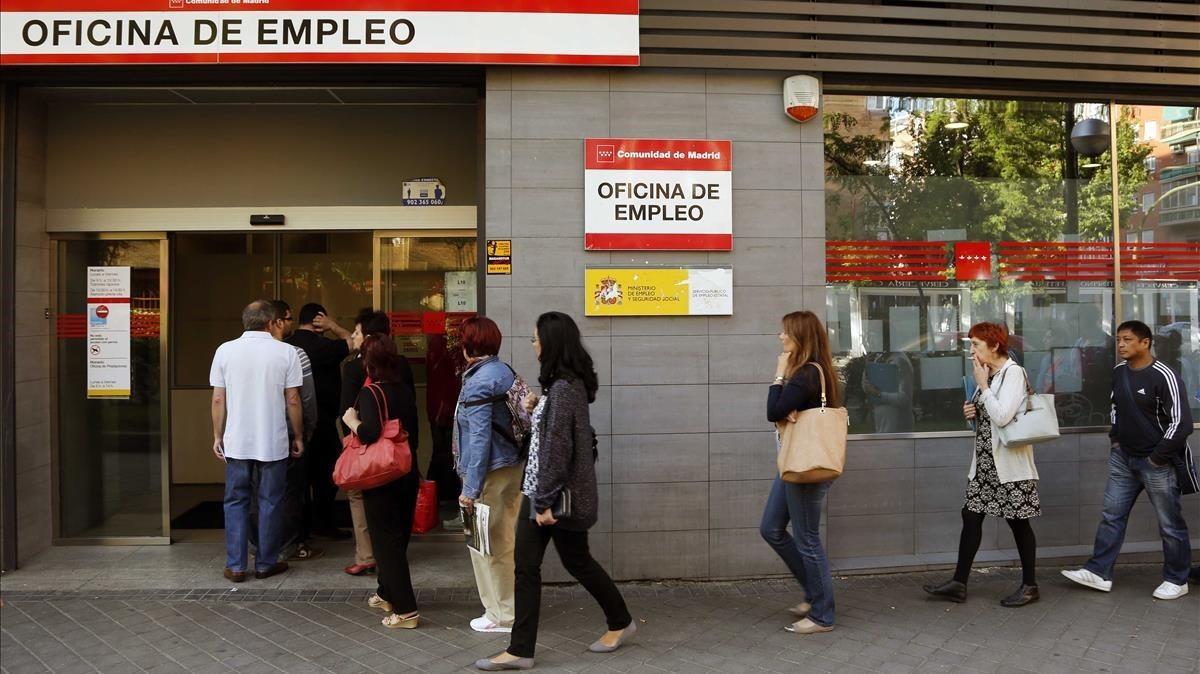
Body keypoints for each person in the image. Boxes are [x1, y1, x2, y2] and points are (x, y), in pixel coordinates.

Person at [476, 312, 634, 671]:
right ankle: (527, 648)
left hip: (549, 495)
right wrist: (536, 410)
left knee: (535, 567)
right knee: (558, 563)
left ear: (550, 342)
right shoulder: (563, 386)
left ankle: (524, 648)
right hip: (545, 490)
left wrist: (544, 502)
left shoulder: (564, 390)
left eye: (536, 338)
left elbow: (558, 450)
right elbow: (551, 439)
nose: (533, 344)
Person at [1062, 320, 1194, 601]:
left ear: (1145, 343)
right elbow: (1115, 407)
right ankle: (1099, 572)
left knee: (1170, 524)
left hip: (1156, 462)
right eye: (1119, 339)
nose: (1120, 344)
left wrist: (1158, 457)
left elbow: (1182, 423)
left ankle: (1176, 579)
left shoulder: (1164, 375)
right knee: (1112, 516)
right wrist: (1116, 440)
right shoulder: (1120, 371)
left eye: (1127, 340)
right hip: (1124, 459)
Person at [923, 322, 1042, 607]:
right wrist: (970, 412)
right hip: (987, 462)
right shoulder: (990, 373)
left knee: (1018, 522)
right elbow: (984, 419)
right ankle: (958, 583)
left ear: (995, 346)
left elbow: (1002, 416)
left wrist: (983, 386)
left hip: (1009, 464)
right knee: (971, 516)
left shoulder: (1013, 373)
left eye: (976, 344)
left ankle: (1030, 586)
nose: (972, 350)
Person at [209, 300, 304, 582]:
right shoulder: (287, 352)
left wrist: (217, 434)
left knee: (235, 500)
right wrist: (298, 435)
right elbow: (294, 399)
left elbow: (217, 397)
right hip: (273, 441)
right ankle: (265, 563)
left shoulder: (225, 350)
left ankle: (236, 566)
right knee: (270, 501)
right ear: (269, 321)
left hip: (236, 441)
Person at [761, 310, 841, 634]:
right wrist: (786, 408)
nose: (781, 337)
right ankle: (813, 591)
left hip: (807, 467)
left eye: (785, 333)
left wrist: (779, 375)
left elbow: (772, 411)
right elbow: (782, 411)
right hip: (792, 464)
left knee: (807, 538)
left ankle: (823, 614)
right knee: (771, 528)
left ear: (800, 338)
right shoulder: (811, 374)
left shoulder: (808, 374)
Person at [341, 334, 422, 628]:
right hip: (405, 470)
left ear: (369, 362)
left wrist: (352, 421)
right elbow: (412, 429)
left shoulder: (371, 393)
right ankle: (386, 594)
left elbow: (370, 433)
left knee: (385, 543)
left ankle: (406, 610)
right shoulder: (402, 390)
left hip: (382, 476)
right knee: (396, 539)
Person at [455, 317, 524, 633]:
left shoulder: (481, 381)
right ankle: (500, 609)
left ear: (468, 346)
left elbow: (480, 438)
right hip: (508, 468)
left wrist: (470, 488)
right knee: (500, 540)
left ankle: (502, 615)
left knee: (488, 543)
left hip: (489, 474)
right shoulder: (502, 370)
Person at [339, 308, 413, 576]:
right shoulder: (401, 364)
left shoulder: (354, 368)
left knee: (359, 495)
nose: (355, 337)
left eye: (357, 332)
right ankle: (392, 553)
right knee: (396, 504)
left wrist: (350, 432)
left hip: (367, 442)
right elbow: (410, 409)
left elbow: (346, 410)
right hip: (398, 447)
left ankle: (367, 555)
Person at [253, 300, 322, 562]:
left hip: (248, 435)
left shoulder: (234, 352)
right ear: (277, 322)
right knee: (291, 492)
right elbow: (302, 399)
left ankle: (258, 544)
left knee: (255, 493)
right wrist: (304, 432)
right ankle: (290, 545)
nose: (292, 324)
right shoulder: (294, 353)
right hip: (284, 432)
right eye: (289, 318)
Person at [287, 302, 353, 540]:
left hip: (289, 423)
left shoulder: (287, 347)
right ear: (319, 319)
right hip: (322, 420)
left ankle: (300, 529)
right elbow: (354, 342)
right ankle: (323, 523)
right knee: (326, 475)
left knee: (297, 478)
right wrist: (333, 325)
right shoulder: (326, 346)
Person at [428, 333, 465, 513]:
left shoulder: (444, 362)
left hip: (443, 416)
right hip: (438, 414)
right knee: (443, 454)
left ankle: (440, 494)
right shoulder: (437, 361)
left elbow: (447, 390)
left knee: (444, 454)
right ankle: (441, 494)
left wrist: (441, 412)